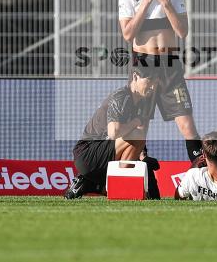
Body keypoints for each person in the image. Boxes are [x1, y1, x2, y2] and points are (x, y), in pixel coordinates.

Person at [118, 0, 203, 165]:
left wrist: (166, 4)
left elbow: (182, 31)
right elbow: (128, 34)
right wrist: (146, 2)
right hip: (143, 65)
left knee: (187, 124)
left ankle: (203, 171)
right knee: (139, 125)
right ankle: (136, 173)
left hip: (169, 64)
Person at [65, 66, 160, 199]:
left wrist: (144, 158)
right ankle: (117, 183)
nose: (153, 86)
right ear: (135, 77)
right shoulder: (121, 95)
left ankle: (90, 185)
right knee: (136, 137)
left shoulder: (146, 102)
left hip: (106, 155)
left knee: (138, 139)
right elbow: (114, 132)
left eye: (156, 82)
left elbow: (140, 136)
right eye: (149, 80)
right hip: (86, 154)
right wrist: (136, 122)